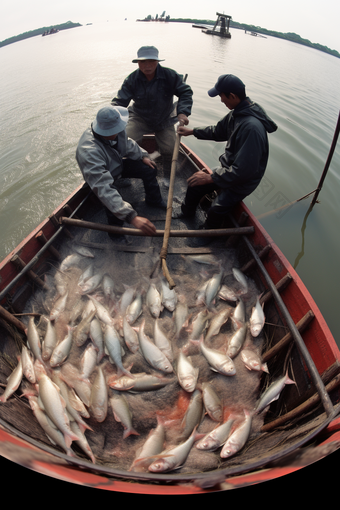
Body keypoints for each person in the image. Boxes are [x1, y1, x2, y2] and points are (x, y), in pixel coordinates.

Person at [176, 74, 278, 247]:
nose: (221, 100)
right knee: (195, 184)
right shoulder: (237, 114)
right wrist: (193, 131)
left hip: (243, 178)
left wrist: (211, 178)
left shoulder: (252, 128)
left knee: (217, 208)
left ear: (233, 96)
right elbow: (218, 131)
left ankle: (208, 235)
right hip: (229, 169)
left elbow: (244, 171)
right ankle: (187, 213)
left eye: (222, 96)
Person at [76, 105, 166, 240]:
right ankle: (115, 233)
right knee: (110, 198)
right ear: (105, 132)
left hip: (117, 165)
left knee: (149, 168)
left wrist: (143, 156)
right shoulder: (88, 151)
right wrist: (132, 217)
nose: (121, 130)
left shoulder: (116, 132)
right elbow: (104, 188)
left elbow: (128, 143)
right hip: (104, 177)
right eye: (117, 129)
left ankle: (154, 200)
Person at [111, 45, 193, 156]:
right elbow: (119, 102)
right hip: (139, 118)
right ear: (138, 63)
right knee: (122, 144)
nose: (147, 66)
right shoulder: (131, 79)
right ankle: (139, 156)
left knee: (171, 151)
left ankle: (157, 153)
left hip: (164, 119)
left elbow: (185, 92)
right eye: (143, 62)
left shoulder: (170, 75)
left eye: (151, 61)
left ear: (157, 61)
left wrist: (183, 112)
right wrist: (110, 116)